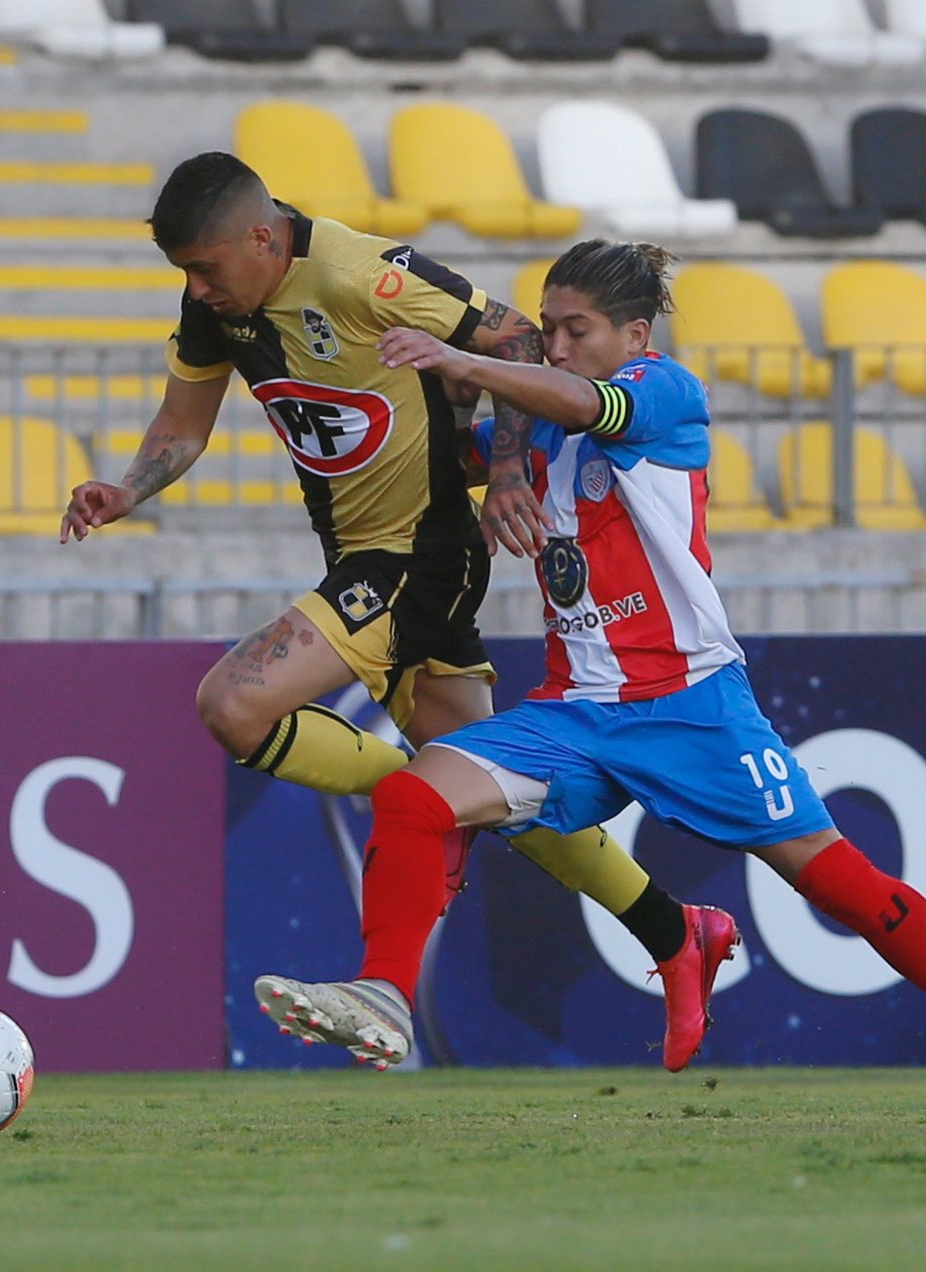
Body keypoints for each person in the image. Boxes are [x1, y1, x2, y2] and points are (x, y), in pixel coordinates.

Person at [253, 240, 926, 1133]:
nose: (558, 346)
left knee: (845, 887)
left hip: (691, 705)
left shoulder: (665, 392)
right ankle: (384, 996)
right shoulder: (532, 433)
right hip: (575, 711)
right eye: (548, 330)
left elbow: (578, 398)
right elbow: (434, 450)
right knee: (417, 797)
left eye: (578, 330)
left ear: (634, 334)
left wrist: (466, 359)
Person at [60, 155, 735, 1070]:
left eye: (207, 267)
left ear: (263, 237)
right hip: (360, 555)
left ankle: (422, 807)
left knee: (233, 705)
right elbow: (184, 426)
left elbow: (515, 342)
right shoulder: (217, 305)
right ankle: (674, 931)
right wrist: (127, 489)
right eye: (184, 271)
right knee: (506, 801)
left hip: (416, 553)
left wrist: (503, 477)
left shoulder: (356, 274)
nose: (196, 286)